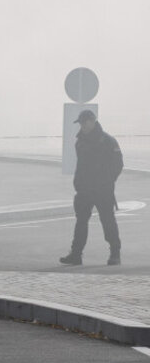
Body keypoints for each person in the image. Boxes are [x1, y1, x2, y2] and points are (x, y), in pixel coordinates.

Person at [60, 109, 123, 266]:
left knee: (108, 221)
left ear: (93, 121)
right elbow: (80, 166)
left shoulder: (108, 141)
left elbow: (118, 164)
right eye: (80, 123)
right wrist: (78, 183)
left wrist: (107, 181)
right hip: (84, 191)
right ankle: (76, 255)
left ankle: (115, 254)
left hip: (103, 190)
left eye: (84, 122)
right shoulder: (80, 142)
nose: (82, 125)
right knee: (81, 222)